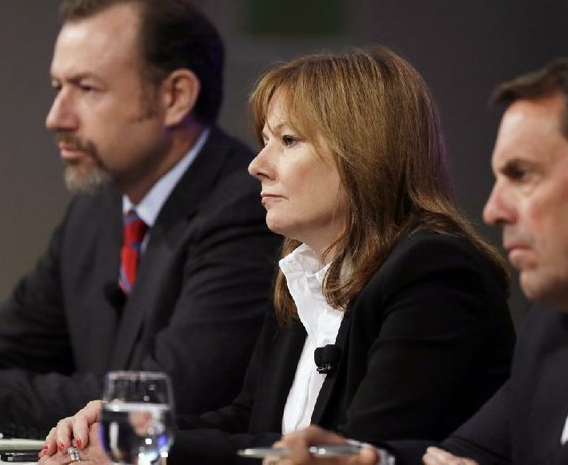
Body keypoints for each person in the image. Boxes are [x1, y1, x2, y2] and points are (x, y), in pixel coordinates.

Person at [38, 47, 516, 463]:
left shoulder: (434, 275)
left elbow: (350, 453)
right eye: (265, 141)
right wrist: (135, 431)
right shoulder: (304, 271)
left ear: (364, 154)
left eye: (287, 141)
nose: (257, 165)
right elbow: (251, 419)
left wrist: (155, 455)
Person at [268, 45, 568, 464]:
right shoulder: (558, 321)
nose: (494, 209)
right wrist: (370, 460)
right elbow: (466, 453)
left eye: (522, 175)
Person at [0, 0, 281, 438]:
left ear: (174, 96)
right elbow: (6, 341)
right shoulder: (98, 209)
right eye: (56, 87)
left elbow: (162, 396)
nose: (55, 118)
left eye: (86, 88)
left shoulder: (247, 209)